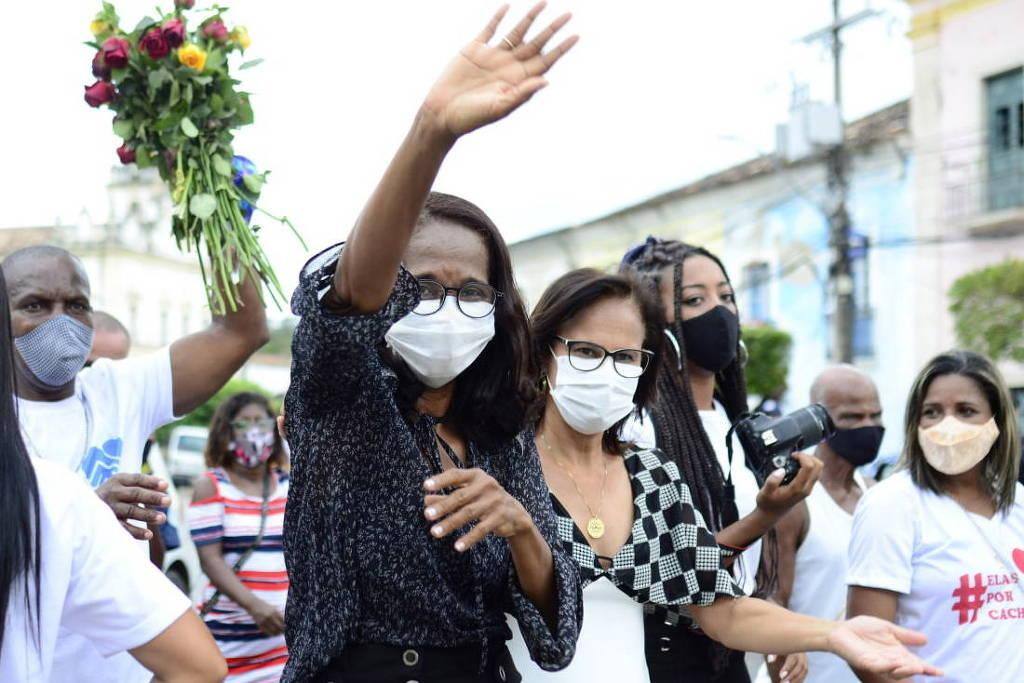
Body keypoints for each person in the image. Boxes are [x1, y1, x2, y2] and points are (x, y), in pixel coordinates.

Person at [282, 5, 582, 681]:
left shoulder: (499, 435)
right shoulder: (342, 401)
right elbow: (349, 302)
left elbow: (554, 638)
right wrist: (431, 134)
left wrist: (522, 527)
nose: (446, 306)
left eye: (471, 291)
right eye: (419, 285)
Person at [507, 267, 940, 682]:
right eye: (585, 351)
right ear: (544, 353)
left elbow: (723, 610)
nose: (607, 370)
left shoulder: (652, 476)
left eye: (627, 357)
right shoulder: (501, 465)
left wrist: (833, 635)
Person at [2, 241, 269, 683]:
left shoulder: (119, 390)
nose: (60, 322)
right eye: (35, 305)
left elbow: (242, 332)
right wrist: (85, 516)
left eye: (77, 305)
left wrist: (221, 227)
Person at [621, 236, 822, 681]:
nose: (721, 310)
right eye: (695, 299)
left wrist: (772, 623)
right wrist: (767, 514)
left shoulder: (732, 419)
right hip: (670, 650)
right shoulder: (640, 426)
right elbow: (681, 567)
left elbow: (747, 565)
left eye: (727, 296)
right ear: (656, 321)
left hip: (731, 649)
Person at [847, 350, 1024, 682]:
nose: (948, 424)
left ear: (996, 421)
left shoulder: (1017, 504)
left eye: (966, 411)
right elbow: (868, 651)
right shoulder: (892, 505)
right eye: (932, 412)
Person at [758, 366, 884, 683]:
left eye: (875, 415)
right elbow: (770, 596)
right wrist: (783, 655)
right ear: (820, 421)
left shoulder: (876, 494)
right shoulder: (795, 501)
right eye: (853, 417)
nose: (868, 426)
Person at [189, 392, 290, 681]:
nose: (254, 430)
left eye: (261, 421)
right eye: (243, 423)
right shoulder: (210, 486)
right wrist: (254, 606)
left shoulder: (289, 484)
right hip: (228, 638)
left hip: (280, 644)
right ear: (226, 431)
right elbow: (210, 559)